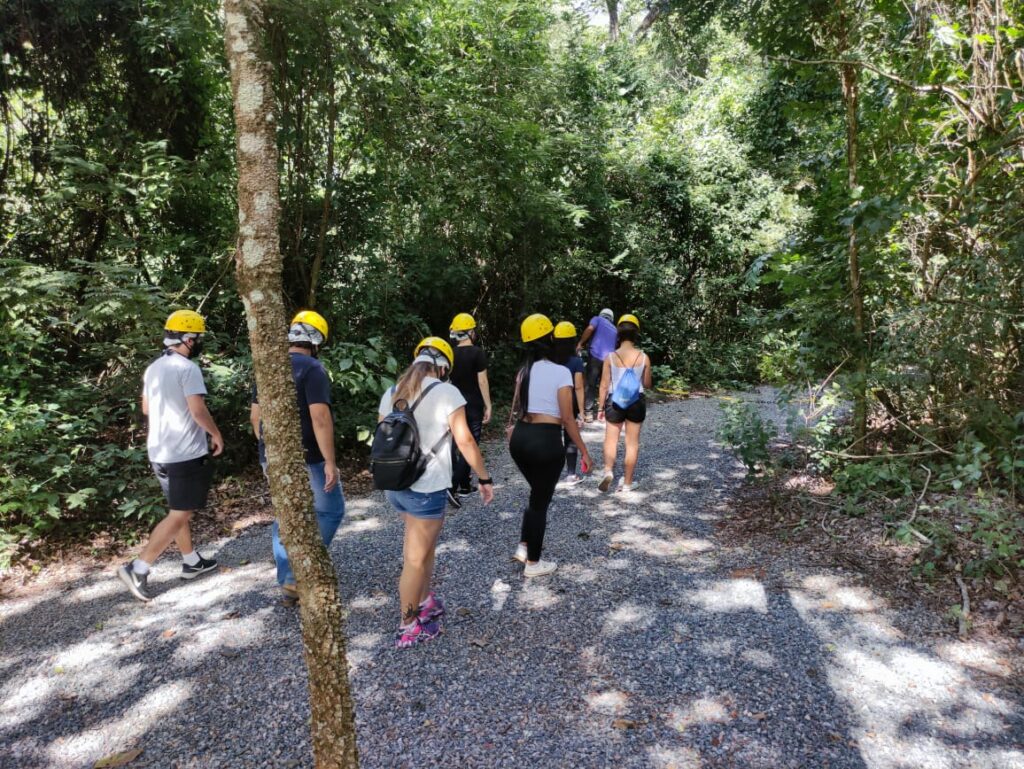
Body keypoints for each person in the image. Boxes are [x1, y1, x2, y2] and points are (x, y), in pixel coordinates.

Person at [379, 337, 494, 648]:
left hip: (396, 485)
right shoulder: (446, 392)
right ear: (443, 367)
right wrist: (484, 478)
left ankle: (425, 602)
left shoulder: (392, 392)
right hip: (426, 488)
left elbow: (384, 437)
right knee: (414, 559)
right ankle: (407, 625)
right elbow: (465, 441)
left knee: (425, 549)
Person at [117, 310, 223, 602]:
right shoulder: (186, 369)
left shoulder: (153, 368)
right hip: (185, 451)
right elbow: (198, 411)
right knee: (181, 513)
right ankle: (138, 568)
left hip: (159, 451)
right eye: (198, 338)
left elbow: (147, 409)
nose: (199, 343)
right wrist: (216, 434)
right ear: (188, 339)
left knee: (179, 507)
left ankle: (191, 561)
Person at [250, 311, 345, 607]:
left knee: (286, 515)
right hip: (310, 456)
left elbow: (256, 417)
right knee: (331, 511)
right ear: (316, 341)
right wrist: (330, 460)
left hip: (273, 455)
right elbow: (320, 417)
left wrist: (267, 449)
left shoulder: (268, 366)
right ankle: (302, 571)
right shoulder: (313, 368)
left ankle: (289, 579)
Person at [509, 314, 593, 577]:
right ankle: (533, 563)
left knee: (536, 495)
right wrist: (585, 451)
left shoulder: (524, 371)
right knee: (540, 502)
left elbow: (516, 407)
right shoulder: (561, 372)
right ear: (550, 339)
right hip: (545, 441)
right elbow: (567, 418)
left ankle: (524, 545)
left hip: (520, 440)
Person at [597, 314, 652, 493]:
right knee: (632, 443)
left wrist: (599, 407)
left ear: (618, 333)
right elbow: (647, 384)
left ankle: (607, 471)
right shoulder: (644, 357)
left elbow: (604, 385)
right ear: (636, 334)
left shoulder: (610, 357)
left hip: (615, 401)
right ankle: (627, 484)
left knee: (611, 440)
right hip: (636, 401)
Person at [447, 312, 492, 506]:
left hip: (452, 404)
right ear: (470, 332)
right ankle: (452, 486)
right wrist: (488, 405)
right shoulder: (477, 353)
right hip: (473, 403)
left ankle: (465, 485)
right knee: (470, 444)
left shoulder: (449, 353)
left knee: (456, 444)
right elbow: (482, 381)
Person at [552, 321, 586, 486]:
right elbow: (578, 387)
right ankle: (571, 474)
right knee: (570, 437)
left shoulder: (549, 360)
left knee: (551, 436)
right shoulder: (576, 361)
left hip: (551, 404)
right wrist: (581, 412)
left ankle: (550, 473)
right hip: (569, 403)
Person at [576, 308, 617, 422]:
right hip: (609, 359)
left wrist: (580, 343)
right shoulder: (614, 329)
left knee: (591, 383)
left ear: (602, 315)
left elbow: (590, 329)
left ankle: (588, 413)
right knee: (605, 385)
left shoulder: (597, 319)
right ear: (611, 318)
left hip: (596, 355)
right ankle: (603, 412)